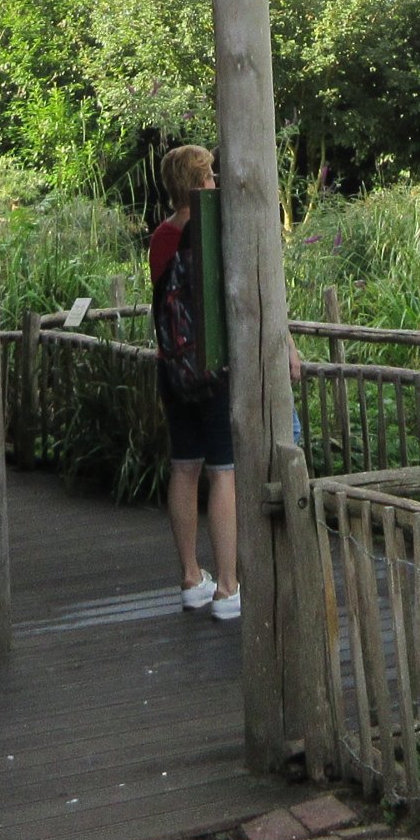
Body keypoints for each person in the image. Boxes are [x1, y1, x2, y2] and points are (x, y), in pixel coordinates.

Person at [150, 143, 239, 621]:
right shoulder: (213, 228)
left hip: (172, 367)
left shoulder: (161, 235)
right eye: (210, 176)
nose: (216, 182)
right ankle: (228, 586)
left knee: (183, 467)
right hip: (213, 368)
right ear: (199, 181)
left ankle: (190, 576)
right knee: (223, 472)